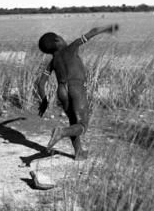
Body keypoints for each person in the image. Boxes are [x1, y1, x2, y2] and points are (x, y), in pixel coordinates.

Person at [37, 24, 119, 160]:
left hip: (62, 90)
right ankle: (61, 132)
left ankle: (79, 152)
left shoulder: (53, 62)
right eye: (61, 37)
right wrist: (108, 28)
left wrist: (44, 101)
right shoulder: (72, 48)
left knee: (73, 121)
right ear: (58, 40)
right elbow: (92, 32)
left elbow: (41, 84)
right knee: (82, 125)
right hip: (76, 88)